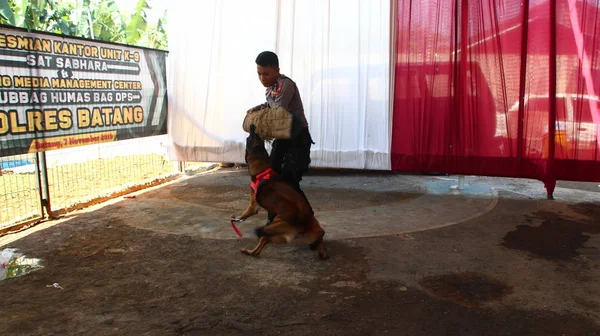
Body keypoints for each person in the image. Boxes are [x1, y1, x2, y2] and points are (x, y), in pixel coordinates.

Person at [247, 51, 314, 224]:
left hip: (298, 139)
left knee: (290, 181)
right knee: (271, 178)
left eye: (266, 74)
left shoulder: (286, 85)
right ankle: (275, 219)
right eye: (259, 74)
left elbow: (278, 111)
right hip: (282, 139)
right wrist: (257, 108)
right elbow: (270, 106)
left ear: (277, 70)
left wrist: (262, 114)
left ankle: (309, 223)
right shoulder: (270, 89)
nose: (262, 78)